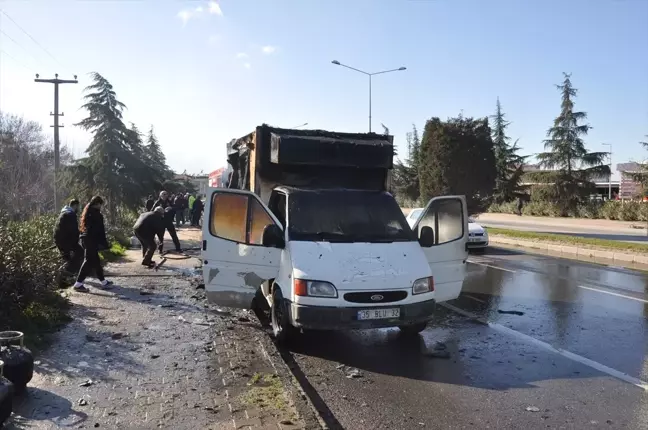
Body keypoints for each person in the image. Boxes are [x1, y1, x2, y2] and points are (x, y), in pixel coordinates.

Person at [73, 196, 113, 292]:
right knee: (88, 261)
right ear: (98, 204)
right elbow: (99, 230)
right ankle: (78, 284)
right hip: (91, 240)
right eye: (100, 204)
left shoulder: (88, 212)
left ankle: (103, 281)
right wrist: (103, 243)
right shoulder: (96, 214)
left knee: (96, 261)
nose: (101, 207)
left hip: (86, 239)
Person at [53, 199, 83, 278]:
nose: (79, 209)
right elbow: (73, 230)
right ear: (75, 206)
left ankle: (67, 277)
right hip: (66, 241)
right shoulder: (71, 214)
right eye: (78, 207)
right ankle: (70, 272)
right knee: (80, 252)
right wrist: (77, 239)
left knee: (67, 258)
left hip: (59, 240)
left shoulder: (63, 213)